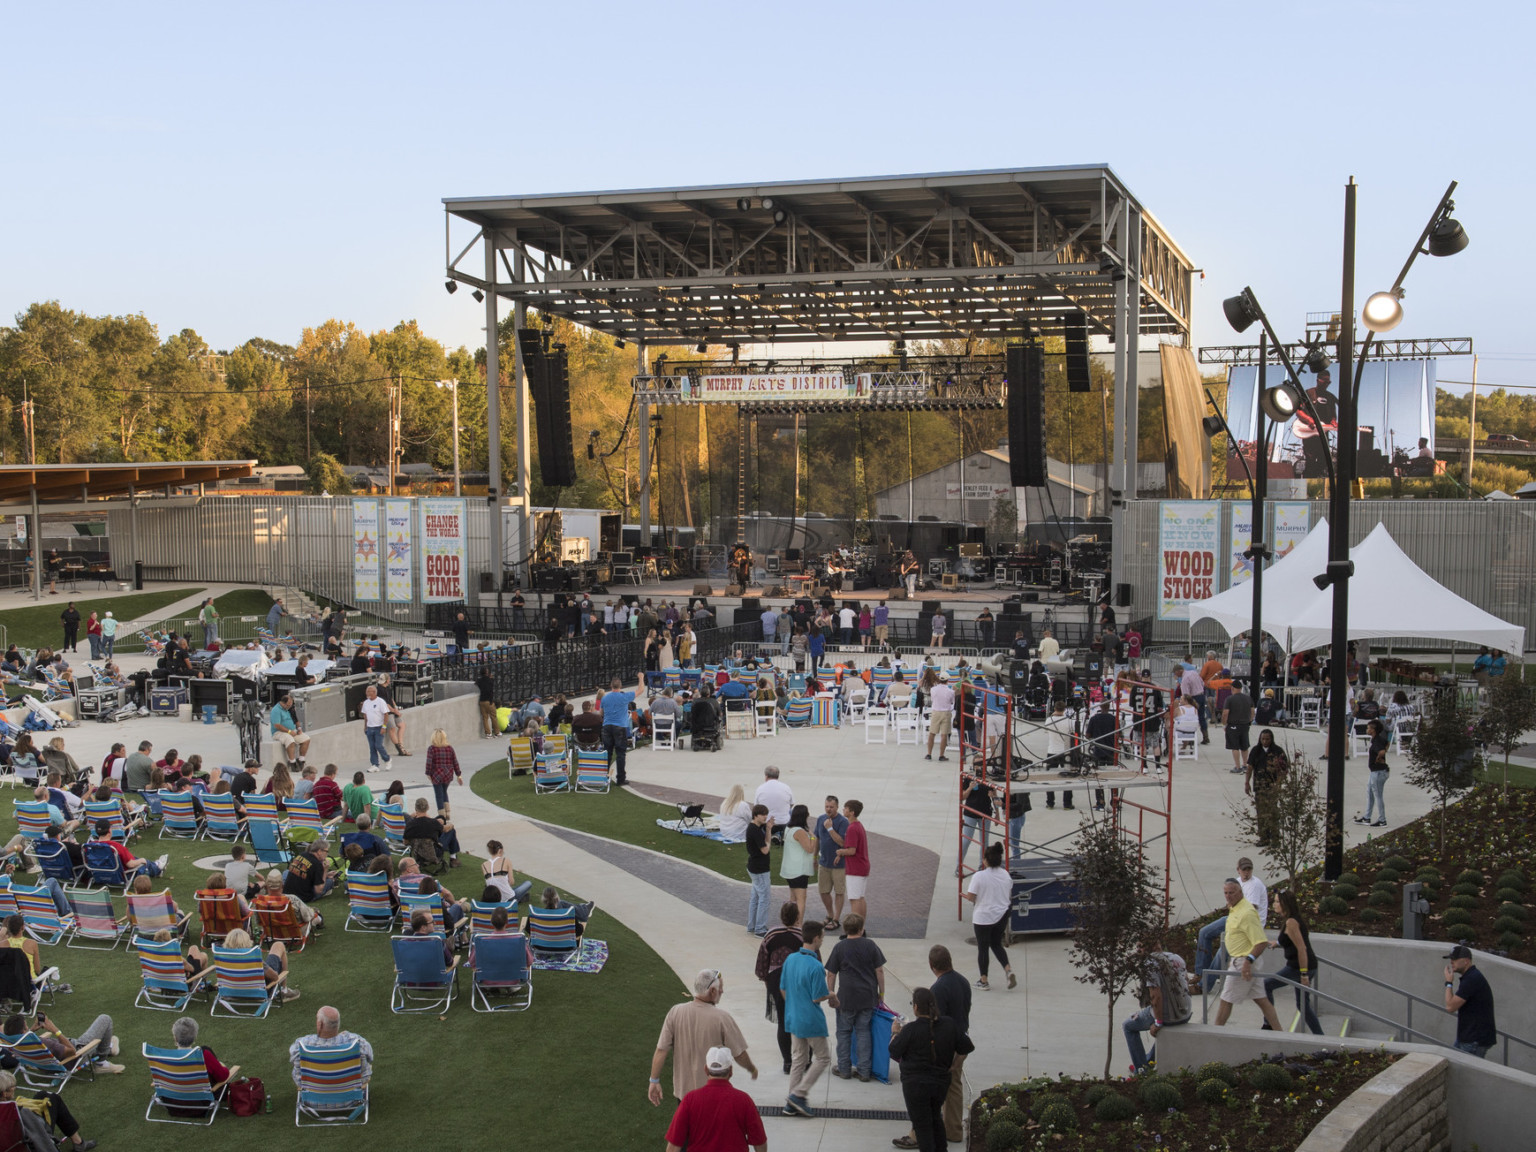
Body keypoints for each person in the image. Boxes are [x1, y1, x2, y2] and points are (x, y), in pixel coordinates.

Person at [648, 968, 756, 1108]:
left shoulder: (675, 1012)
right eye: (720, 988)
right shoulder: (722, 1018)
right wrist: (752, 1068)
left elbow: (661, 1050)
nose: (722, 991)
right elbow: (739, 1054)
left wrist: (654, 1081)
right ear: (712, 991)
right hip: (713, 1098)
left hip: (684, 1098)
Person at [889, 986, 971, 1152]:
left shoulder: (910, 1030)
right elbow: (966, 1048)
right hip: (940, 1083)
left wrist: (895, 1033)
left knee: (923, 1127)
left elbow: (893, 1051)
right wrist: (953, 1066)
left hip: (915, 1086)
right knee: (935, 1118)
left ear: (916, 1007)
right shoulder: (948, 1024)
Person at [664, 1045, 768, 1152]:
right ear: (731, 1071)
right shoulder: (744, 1100)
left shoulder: (690, 1100)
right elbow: (759, 1141)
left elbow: (673, 1146)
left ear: (706, 1069)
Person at [1211, 877, 1282, 1029]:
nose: (1228, 896)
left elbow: (1261, 942)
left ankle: (1215, 1032)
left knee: (1226, 999)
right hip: (1239, 960)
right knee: (1262, 1000)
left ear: (1240, 892)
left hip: (1244, 963)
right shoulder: (1235, 908)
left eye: (1232, 892)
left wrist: (1247, 962)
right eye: (1226, 893)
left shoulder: (1247, 912)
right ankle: (1281, 1034)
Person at [825, 911, 885, 1081]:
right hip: (867, 997)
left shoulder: (839, 947)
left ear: (845, 929)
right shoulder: (870, 945)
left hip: (846, 998)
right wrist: (881, 992)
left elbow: (831, 974)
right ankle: (864, 1071)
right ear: (861, 929)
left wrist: (831, 994)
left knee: (844, 1032)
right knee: (863, 1031)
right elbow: (879, 970)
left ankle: (844, 1069)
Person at [1195, 857, 1267, 991]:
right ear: (1238, 870)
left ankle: (1204, 986)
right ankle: (1200, 973)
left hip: (1248, 924)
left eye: (1249, 869)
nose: (1246, 872)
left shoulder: (1255, 885)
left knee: (1222, 951)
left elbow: (1250, 910)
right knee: (1204, 932)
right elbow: (1232, 905)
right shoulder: (1237, 883)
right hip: (1235, 917)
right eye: (1243, 869)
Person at [1264, 889, 1323, 1035]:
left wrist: (1303, 975)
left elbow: (1301, 948)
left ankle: (1269, 1024)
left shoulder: (1291, 922)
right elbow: (1288, 939)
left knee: (1266, 985)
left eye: (1277, 901)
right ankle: (1320, 1036)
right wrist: (1277, 943)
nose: (1274, 904)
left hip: (1299, 968)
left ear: (1285, 904)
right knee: (1303, 1006)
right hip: (1303, 966)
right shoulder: (1291, 919)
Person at [1122, 950, 1191, 1073]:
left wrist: (1158, 1023)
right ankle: (1148, 1062)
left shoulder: (1151, 964)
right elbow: (1186, 983)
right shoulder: (1176, 957)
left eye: (1139, 946)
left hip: (1169, 1016)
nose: (1137, 950)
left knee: (1128, 1026)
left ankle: (1141, 1071)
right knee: (1161, 1029)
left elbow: (1156, 996)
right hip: (1185, 1013)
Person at [755, 901, 803, 1078]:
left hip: (776, 981)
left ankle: (787, 1062)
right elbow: (814, 960)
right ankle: (802, 1059)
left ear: (781, 916)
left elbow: (762, 963)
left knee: (783, 1022)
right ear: (797, 917)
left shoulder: (770, 934)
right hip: (798, 981)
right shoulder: (802, 935)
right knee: (800, 1019)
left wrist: (767, 981)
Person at [0, 1065, 95, 1149]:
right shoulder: (16, 1111)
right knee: (53, 1099)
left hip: (11, 1140)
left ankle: (78, 1142)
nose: (15, 1088)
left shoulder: (6, 1109)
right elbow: (36, 1128)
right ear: (4, 1093)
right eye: (12, 1087)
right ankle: (78, 1143)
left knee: (42, 1095)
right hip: (30, 1139)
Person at [2, 1009, 121, 1074]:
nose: (29, 1028)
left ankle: (109, 1047)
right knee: (105, 1019)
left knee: (100, 1039)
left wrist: (32, 1029)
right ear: (23, 1031)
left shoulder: (14, 1044)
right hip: (76, 1055)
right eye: (26, 1027)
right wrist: (55, 1030)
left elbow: (24, 1036)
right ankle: (101, 1063)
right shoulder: (45, 1043)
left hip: (45, 1065)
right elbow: (72, 1052)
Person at [964, 842, 1015, 990]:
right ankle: (1008, 970)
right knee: (996, 944)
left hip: (983, 917)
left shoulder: (979, 876)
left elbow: (970, 897)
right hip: (1002, 915)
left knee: (983, 948)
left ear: (985, 860)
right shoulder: (1005, 874)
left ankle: (984, 980)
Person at [289, 1005, 373, 1084]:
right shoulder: (357, 1042)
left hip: (313, 1094)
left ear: (320, 1024)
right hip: (351, 1093)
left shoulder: (301, 1045)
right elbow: (370, 1058)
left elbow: (293, 1063)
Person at [1443, 944, 1497, 1058]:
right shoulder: (1471, 977)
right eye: (1451, 959)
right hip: (1469, 1038)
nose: (1452, 962)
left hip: (1473, 1040)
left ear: (1466, 961)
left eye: (1455, 959)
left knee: (1465, 1075)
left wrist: (1449, 982)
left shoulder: (1472, 979)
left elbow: (1450, 1007)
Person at [1244, 729, 1289, 846]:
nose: (1264, 741)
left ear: (1271, 739)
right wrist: (1247, 783)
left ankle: (1275, 838)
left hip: (1272, 786)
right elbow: (1250, 768)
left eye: (1267, 739)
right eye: (1262, 739)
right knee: (1261, 813)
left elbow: (1284, 770)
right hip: (1259, 786)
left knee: (1273, 812)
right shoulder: (1255, 750)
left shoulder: (1278, 751)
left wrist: (1277, 784)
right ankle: (1263, 838)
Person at [601, 673, 647, 787]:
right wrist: (641, 678)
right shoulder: (624, 696)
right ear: (620, 686)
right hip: (620, 727)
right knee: (620, 753)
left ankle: (603, 777)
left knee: (607, 752)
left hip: (607, 726)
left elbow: (601, 713)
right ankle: (620, 779)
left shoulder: (605, 698)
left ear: (611, 686)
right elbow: (641, 690)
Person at [812, 795, 848, 930]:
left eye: (831, 807)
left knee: (839, 892)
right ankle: (830, 915)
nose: (829, 809)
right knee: (823, 891)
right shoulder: (821, 819)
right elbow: (817, 839)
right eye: (827, 806)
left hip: (839, 865)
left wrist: (830, 829)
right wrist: (814, 857)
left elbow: (843, 842)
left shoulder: (843, 822)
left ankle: (837, 919)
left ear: (837, 807)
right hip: (824, 862)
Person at [255, 869, 323, 936]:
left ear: (266, 886)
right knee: (316, 916)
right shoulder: (292, 899)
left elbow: (258, 921)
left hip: (271, 933)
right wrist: (313, 913)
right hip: (294, 933)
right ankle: (319, 920)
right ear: (282, 885)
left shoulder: (261, 901)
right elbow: (307, 917)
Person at [780, 804, 816, 924]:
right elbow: (809, 849)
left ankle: (790, 922)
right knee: (801, 899)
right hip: (799, 871)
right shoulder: (800, 831)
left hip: (790, 869)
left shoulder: (788, 828)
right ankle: (798, 924)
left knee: (793, 898)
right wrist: (812, 838)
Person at [836, 799, 870, 924]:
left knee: (854, 900)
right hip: (862, 866)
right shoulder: (859, 826)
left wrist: (840, 852)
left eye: (845, 808)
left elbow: (851, 850)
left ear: (852, 812)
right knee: (860, 898)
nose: (843, 810)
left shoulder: (851, 828)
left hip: (855, 869)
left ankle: (855, 929)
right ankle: (861, 928)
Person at [404, 795, 460, 869]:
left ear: (415, 808)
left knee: (441, 818)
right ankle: (453, 858)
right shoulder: (433, 823)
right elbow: (445, 829)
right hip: (435, 853)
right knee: (451, 831)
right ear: (428, 807)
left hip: (417, 854)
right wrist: (451, 825)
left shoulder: (410, 824)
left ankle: (453, 858)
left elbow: (405, 842)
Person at [744, 805, 774, 937]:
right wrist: (768, 841)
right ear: (756, 815)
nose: (765, 817)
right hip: (760, 869)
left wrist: (768, 829)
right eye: (763, 814)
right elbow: (765, 849)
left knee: (755, 898)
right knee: (764, 898)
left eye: (766, 814)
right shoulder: (754, 830)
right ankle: (760, 928)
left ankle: (752, 925)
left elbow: (765, 842)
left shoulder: (756, 828)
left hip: (755, 867)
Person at [1355, 718, 1390, 828]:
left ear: (1373, 730)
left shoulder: (1377, 741)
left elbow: (1382, 750)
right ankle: (1367, 817)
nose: (1367, 729)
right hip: (1375, 772)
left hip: (1379, 772)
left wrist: (1379, 758)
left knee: (1378, 796)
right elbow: (1387, 743)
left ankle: (1382, 820)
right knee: (1370, 793)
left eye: (1368, 728)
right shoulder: (1378, 739)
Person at [423, 728, 463, 817]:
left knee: (439, 795)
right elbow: (455, 762)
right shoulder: (450, 748)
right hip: (448, 774)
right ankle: (447, 812)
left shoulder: (432, 748)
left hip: (436, 775)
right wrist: (458, 775)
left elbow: (429, 762)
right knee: (444, 791)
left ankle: (442, 815)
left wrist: (428, 773)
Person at [358, 684, 393, 772]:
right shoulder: (366, 703)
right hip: (370, 728)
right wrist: (365, 726)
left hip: (379, 727)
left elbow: (386, 714)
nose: (367, 693)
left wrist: (384, 727)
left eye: (369, 691)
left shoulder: (380, 702)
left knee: (378, 745)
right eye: (367, 691)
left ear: (374, 692)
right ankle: (375, 764)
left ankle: (387, 759)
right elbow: (365, 716)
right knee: (372, 747)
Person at [269, 693, 310, 767]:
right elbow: (277, 725)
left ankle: (301, 760)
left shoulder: (290, 708)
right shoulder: (276, 710)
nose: (289, 707)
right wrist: (289, 731)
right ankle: (292, 762)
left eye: (290, 705)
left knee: (306, 739)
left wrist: (299, 728)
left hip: (292, 730)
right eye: (288, 705)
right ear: (283, 703)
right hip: (279, 732)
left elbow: (296, 719)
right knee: (290, 740)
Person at [1221, 684, 1253, 773]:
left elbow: (1225, 713)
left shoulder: (1230, 699)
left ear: (1232, 688)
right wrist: (1249, 721)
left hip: (1233, 725)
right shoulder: (1248, 698)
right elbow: (1252, 711)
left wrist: (1224, 724)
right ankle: (1245, 765)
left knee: (1235, 746)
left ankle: (1238, 767)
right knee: (1244, 746)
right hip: (1245, 725)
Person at [925, 673, 955, 762]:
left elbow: (933, 699)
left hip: (936, 711)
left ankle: (929, 753)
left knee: (932, 733)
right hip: (946, 712)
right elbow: (952, 702)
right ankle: (941, 755)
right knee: (944, 735)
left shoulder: (933, 689)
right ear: (947, 680)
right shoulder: (950, 691)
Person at [1178, 658, 1209, 743]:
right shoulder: (1194, 673)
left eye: (1176, 674)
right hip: (1201, 695)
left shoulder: (1184, 680)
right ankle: (1205, 736)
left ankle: (1190, 737)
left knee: (1191, 718)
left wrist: (1182, 704)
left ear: (1179, 671)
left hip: (1193, 698)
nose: (1176, 676)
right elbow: (1202, 683)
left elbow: (1186, 695)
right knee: (1201, 717)